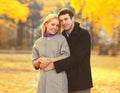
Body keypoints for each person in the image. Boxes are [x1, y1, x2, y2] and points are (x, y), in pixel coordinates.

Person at [40, 8, 93, 93]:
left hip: (81, 82)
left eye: (66, 19)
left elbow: (77, 58)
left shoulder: (83, 34)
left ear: (73, 19)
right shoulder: (61, 36)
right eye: (61, 20)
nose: (64, 22)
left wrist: (54, 65)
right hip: (65, 83)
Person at [32, 14, 70, 93]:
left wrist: (52, 60)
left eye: (57, 26)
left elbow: (66, 55)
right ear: (46, 24)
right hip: (44, 79)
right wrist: (39, 61)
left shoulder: (61, 39)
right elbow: (34, 63)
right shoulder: (38, 42)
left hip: (59, 79)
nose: (55, 28)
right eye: (52, 24)